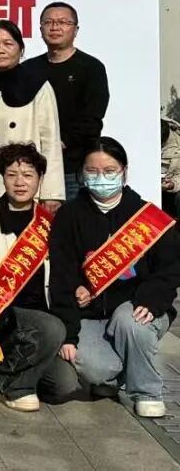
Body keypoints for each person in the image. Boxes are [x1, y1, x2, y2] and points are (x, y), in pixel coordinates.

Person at [50, 137, 180, 419]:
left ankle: (147, 392)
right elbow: (61, 276)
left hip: (138, 307)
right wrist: (69, 331)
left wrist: (150, 299)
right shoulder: (69, 216)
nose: (101, 178)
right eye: (92, 171)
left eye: (109, 171)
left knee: (129, 321)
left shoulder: (147, 216)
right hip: (90, 314)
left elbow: (169, 270)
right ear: (81, 174)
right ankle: (112, 379)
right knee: (96, 368)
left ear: (124, 172)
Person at [0, 143, 66, 412]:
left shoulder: (49, 222)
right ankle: (11, 386)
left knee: (63, 384)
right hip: (4, 316)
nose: (20, 182)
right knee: (51, 328)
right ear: (2, 177)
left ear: (40, 179)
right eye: (12, 174)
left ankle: (18, 369)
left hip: (42, 316)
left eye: (28, 175)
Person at [0, 20, 65, 210]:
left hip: (25, 184)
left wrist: (51, 193)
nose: (0, 50)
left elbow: (50, 141)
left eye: (8, 43)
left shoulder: (37, 85)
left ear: (21, 49)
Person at [24, 2, 110, 201]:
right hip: (32, 167)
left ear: (75, 30)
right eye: (49, 22)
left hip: (73, 168)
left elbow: (92, 118)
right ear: (40, 29)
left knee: (72, 220)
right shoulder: (28, 69)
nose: (55, 27)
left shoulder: (91, 68)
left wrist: (59, 143)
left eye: (62, 22)